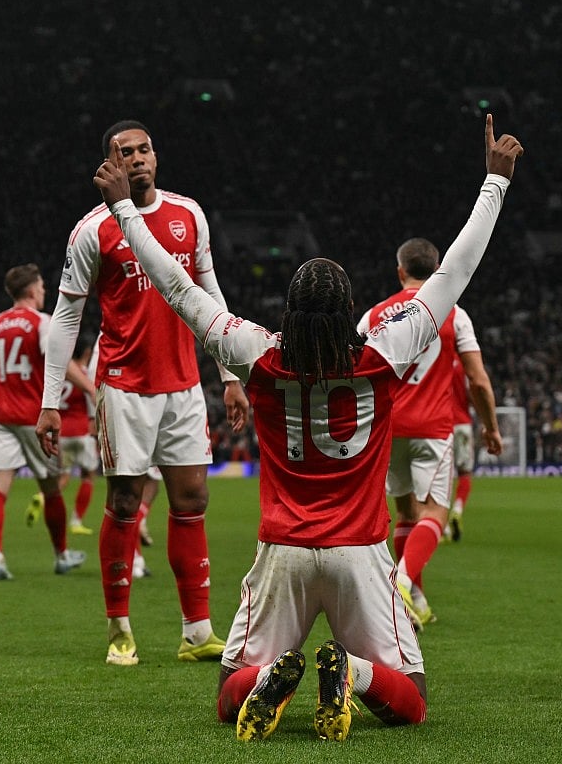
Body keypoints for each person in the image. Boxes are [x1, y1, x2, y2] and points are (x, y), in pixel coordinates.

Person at [94, 114, 522, 740]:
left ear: (288, 310)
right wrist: (494, 183)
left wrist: (126, 214)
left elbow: (178, 288)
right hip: (360, 552)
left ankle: (275, 676)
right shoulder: (384, 352)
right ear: (351, 310)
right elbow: (455, 272)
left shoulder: (259, 355)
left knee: (226, 697)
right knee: (413, 700)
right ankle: (353, 671)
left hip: (284, 552)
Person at [36, 120, 250, 666]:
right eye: (124, 152)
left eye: (144, 149)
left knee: (192, 501)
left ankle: (196, 631)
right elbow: (65, 318)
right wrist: (51, 401)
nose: (137, 159)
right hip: (123, 387)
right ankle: (119, 628)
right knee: (125, 502)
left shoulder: (189, 213)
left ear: (156, 155)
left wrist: (228, 374)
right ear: (108, 163)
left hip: (182, 386)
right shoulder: (92, 230)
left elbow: (210, 295)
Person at [357, 238, 504, 629]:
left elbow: (354, 378)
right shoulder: (454, 315)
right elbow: (478, 380)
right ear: (438, 270)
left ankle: (416, 602)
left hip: (387, 430)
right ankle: (402, 583)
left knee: (405, 513)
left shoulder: (372, 316)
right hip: (434, 428)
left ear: (400, 270)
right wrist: (490, 426)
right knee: (435, 512)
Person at [0, 263, 90, 581]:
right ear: (31, 290)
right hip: (34, 418)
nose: (44, 292)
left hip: (1, 417)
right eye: (42, 287)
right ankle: (61, 555)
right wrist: (91, 389)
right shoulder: (42, 323)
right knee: (51, 488)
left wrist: (6, 395)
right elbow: (62, 364)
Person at [27, 339, 99, 535]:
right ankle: (76, 521)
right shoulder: (82, 375)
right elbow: (91, 397)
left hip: (62, 433)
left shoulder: (58, 375)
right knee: (89, 476)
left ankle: (42, 496)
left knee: (64, 476)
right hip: (82, 432)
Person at [445, 348, 502, 542]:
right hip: (462, 424)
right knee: (465, 473)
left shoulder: (437, 360)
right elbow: (474, 392)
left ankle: (441, 526)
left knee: (441, 478)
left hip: (439, 424)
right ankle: (458, 509)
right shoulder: (464, 365)